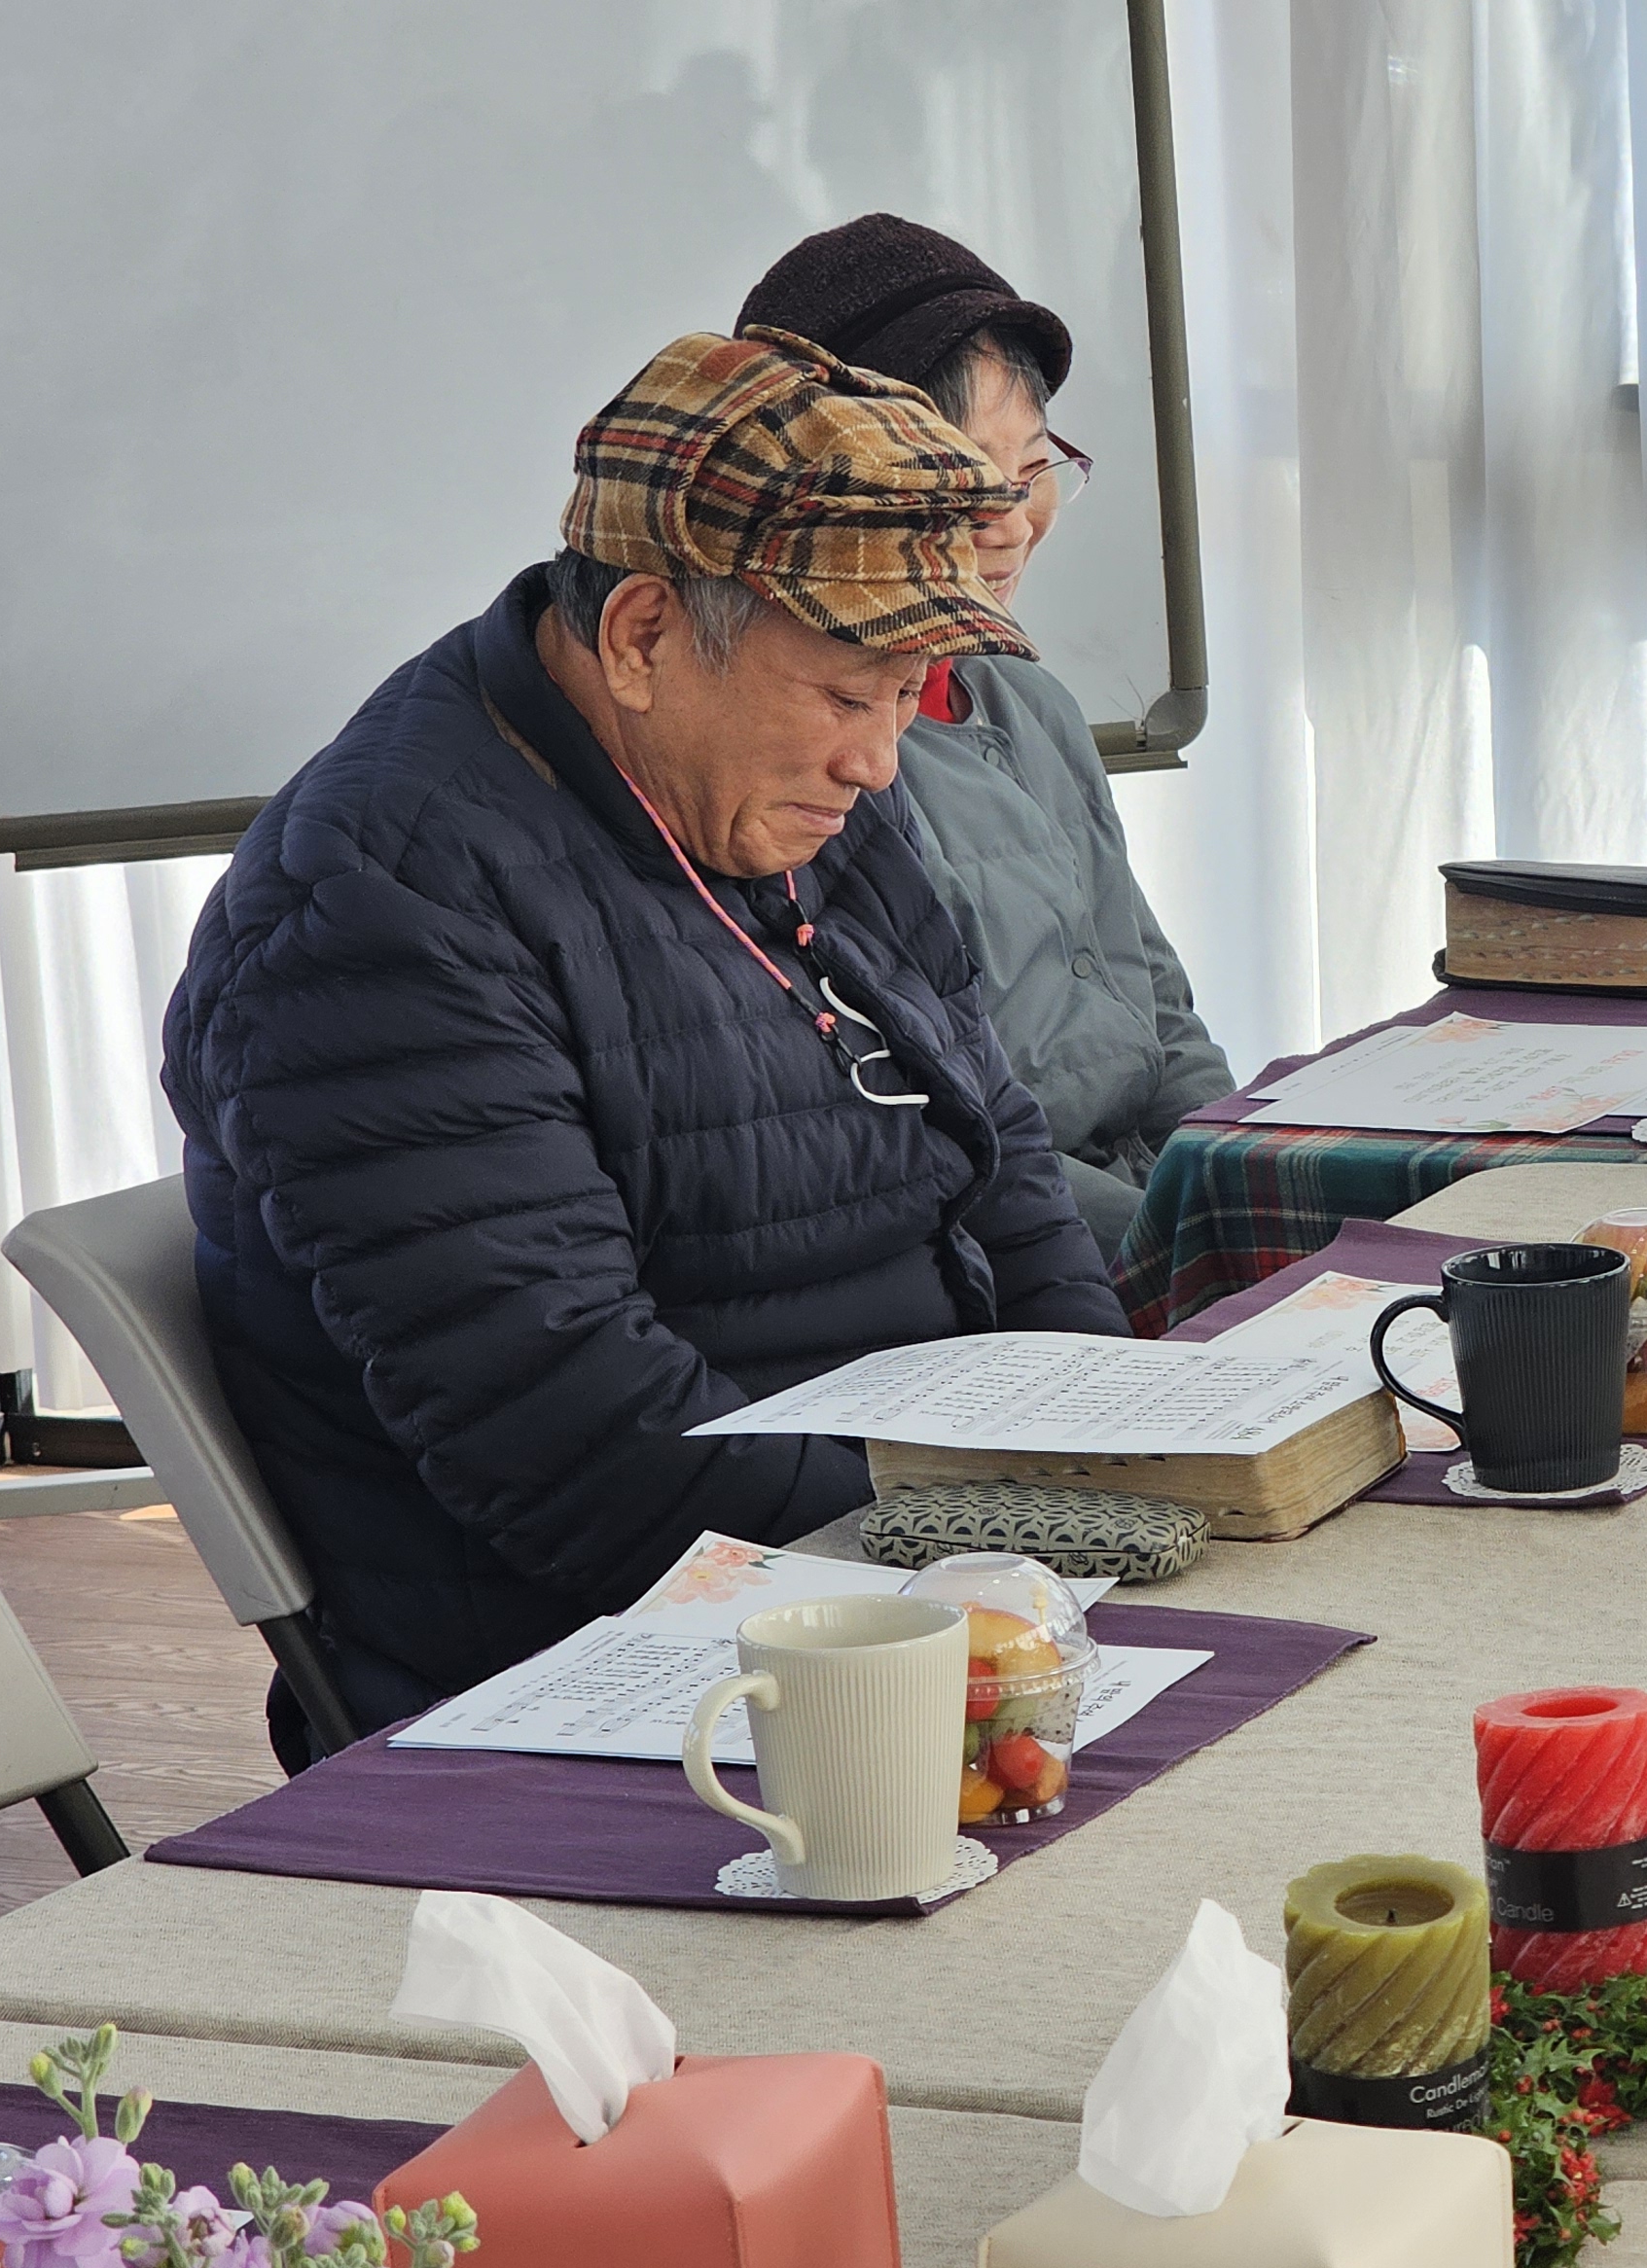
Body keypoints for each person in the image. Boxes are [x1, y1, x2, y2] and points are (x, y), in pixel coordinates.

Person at [163, 329, 1135, 1763]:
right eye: (845, 696)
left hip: (914, 1568)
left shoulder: (783, 795)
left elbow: (1006, 1171)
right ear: (638, 636)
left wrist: (1110, 1461)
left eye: (906, 697)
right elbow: (576, 1440)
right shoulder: (381, 903)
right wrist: (979, 1571)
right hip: (629, 1666)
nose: (877, 761)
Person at [741, 215, 1235, 1253]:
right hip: (1020, 1240)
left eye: (1029, 471)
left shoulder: (1033, 703)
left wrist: (1238, 1178)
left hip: (1152, 1208)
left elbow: (1162, 1009)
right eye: (962, 486)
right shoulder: (815, 764)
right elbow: (934, 1126)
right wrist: (1185, 1248)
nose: (1010, 523)